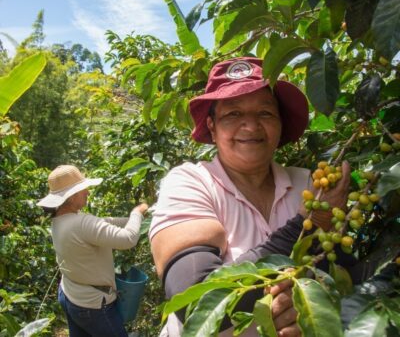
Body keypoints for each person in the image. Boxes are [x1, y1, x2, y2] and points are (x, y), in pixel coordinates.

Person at [149, 57, 350, 336]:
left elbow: (339, 273)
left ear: (280, 124)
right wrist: (311, 221)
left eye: (266, 113)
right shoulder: (191, 183)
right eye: (233, 114)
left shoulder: (308, 183)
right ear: (211, 126)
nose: (251, 126)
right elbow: (195, 302)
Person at [37, 164, 148, 337]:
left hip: (69, 294)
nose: (88, 192)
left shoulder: (60, 220)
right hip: (94, 306)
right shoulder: (82, 223)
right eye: (83, 189)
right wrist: (137, 213)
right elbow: (128, 239)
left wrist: (138, 222)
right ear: (72, 196)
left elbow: (103, 222)